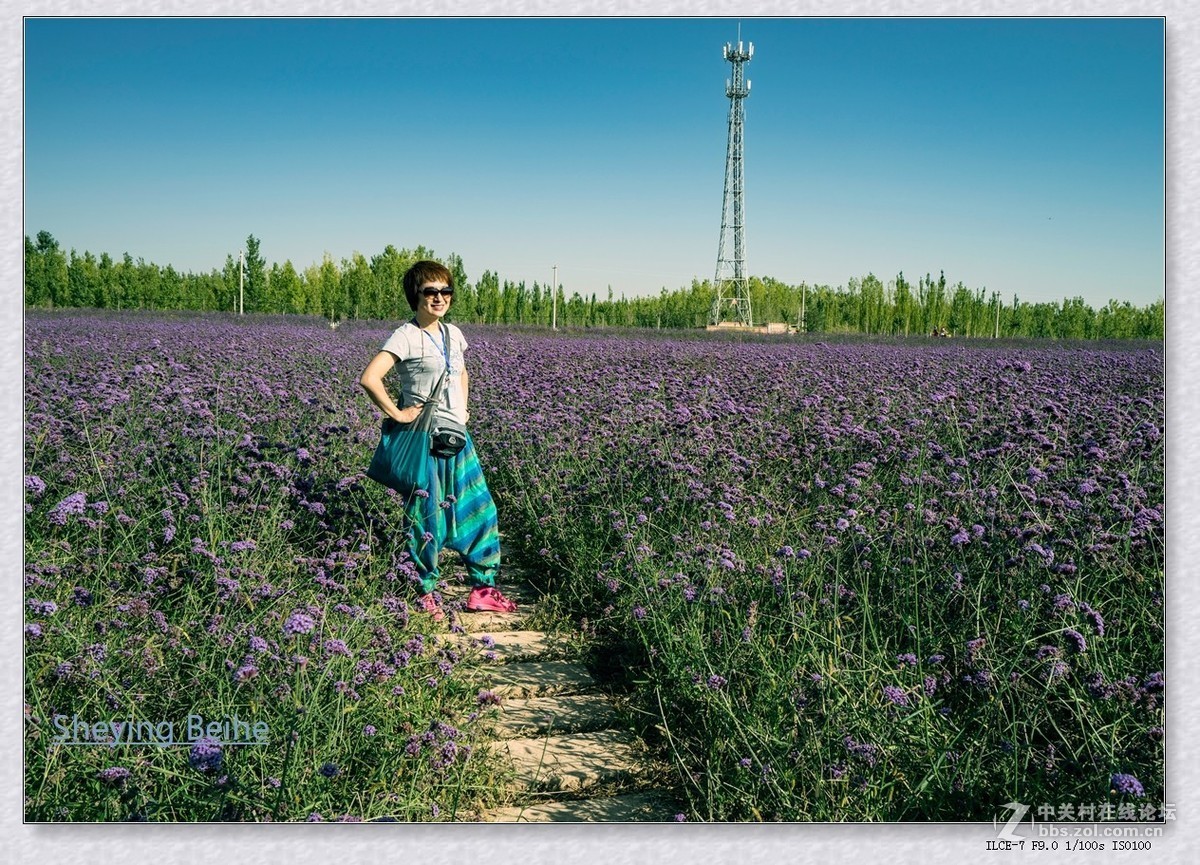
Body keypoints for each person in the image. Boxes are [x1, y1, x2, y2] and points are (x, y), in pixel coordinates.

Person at [358, 260, 517, 622]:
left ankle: (482, 590)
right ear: (415, 295)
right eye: (431, 291)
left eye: (446, 291)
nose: (439, 297)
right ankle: (424, 592)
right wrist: (398, 413)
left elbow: (461, 371)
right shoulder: (405, 336)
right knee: (426, 516)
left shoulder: (453, 333)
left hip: (457, 437)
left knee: (481, 510)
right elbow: (369, 378)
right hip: (424, 441)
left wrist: (463, 411)